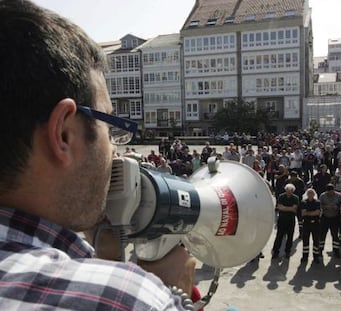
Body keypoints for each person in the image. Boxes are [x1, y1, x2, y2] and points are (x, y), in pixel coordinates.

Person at [0, 1, 195, 309]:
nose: (115, 149)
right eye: (109, 126)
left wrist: (101, 260)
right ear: (64, 134)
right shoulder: (127, 298)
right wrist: (170, 292)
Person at [272, 184, 299, 259]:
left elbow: (294, 209)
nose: (289, 192)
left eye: (290, 191)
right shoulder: (281, 196)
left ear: (293, 191)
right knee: (279, 236)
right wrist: (289, 208)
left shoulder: (295, 198)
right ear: (285, 190)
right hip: (282, 219)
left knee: (290, 237)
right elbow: (280, 207)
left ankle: (287, 252)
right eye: (287, 190)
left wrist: (284, 208)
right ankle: (276, 252)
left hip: (291, 220)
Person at [319, 184, 341, 259]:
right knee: (322, 234)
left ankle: (336, 250)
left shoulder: (339, 196)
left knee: (335, 235)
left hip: (335, 218)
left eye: (332, 192)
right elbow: (319, 205)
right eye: (329, 192)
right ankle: (320, 250)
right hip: (325, 217)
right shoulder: (322, 196)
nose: (331, 194)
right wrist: (325, 207)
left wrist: (337, 207)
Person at [300, 189, 321, 264]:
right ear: (307, 194)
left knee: (316, 241)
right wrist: (313, 212)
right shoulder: (303, 202)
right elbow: (303, 213)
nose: (310, 195)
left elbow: (318, 213)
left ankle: (316, 256)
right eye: (309, 193)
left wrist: (308, 212)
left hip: (316, 224)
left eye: (312, 193)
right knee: (305, 241)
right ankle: (305, 256)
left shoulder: (317, 202)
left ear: (314, 194)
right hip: (306, 224)